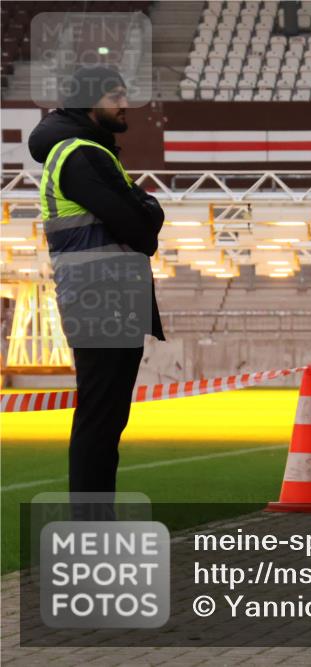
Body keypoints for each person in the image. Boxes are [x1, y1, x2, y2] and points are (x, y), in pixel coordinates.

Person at [29, 65, 164, 505]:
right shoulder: (82, 155)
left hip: (104, 296)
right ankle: (91, 522)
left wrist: (146, 211)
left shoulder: (88, 152)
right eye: (115, 96)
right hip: (101, 296)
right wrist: (148, 210)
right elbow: (141, 227)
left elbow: (143, 217)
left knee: (105, 418)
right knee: (101, 418)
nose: (125, 104)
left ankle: (94, 518)